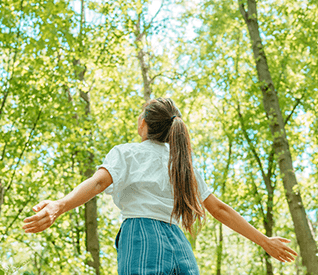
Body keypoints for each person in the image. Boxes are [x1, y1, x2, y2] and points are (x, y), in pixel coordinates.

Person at [23, 97, 298, 274]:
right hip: (178, 242)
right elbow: (219, 209)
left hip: (141, 235)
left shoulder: (128, 152)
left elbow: (97, 184)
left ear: (143, 124)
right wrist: (265, 241)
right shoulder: (183, 164)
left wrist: (59, 205)